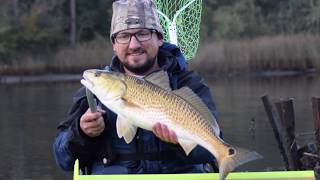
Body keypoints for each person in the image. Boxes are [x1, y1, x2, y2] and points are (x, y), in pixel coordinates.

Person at [53, 0, 220, 175]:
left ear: (160, 38)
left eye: (143, 33)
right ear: (114, 44)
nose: (134, 44)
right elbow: (63, 159)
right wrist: (82, 133)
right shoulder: (92, 92)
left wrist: (179, 141)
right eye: (124, 36)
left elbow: (211, 150)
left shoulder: (190, 84)